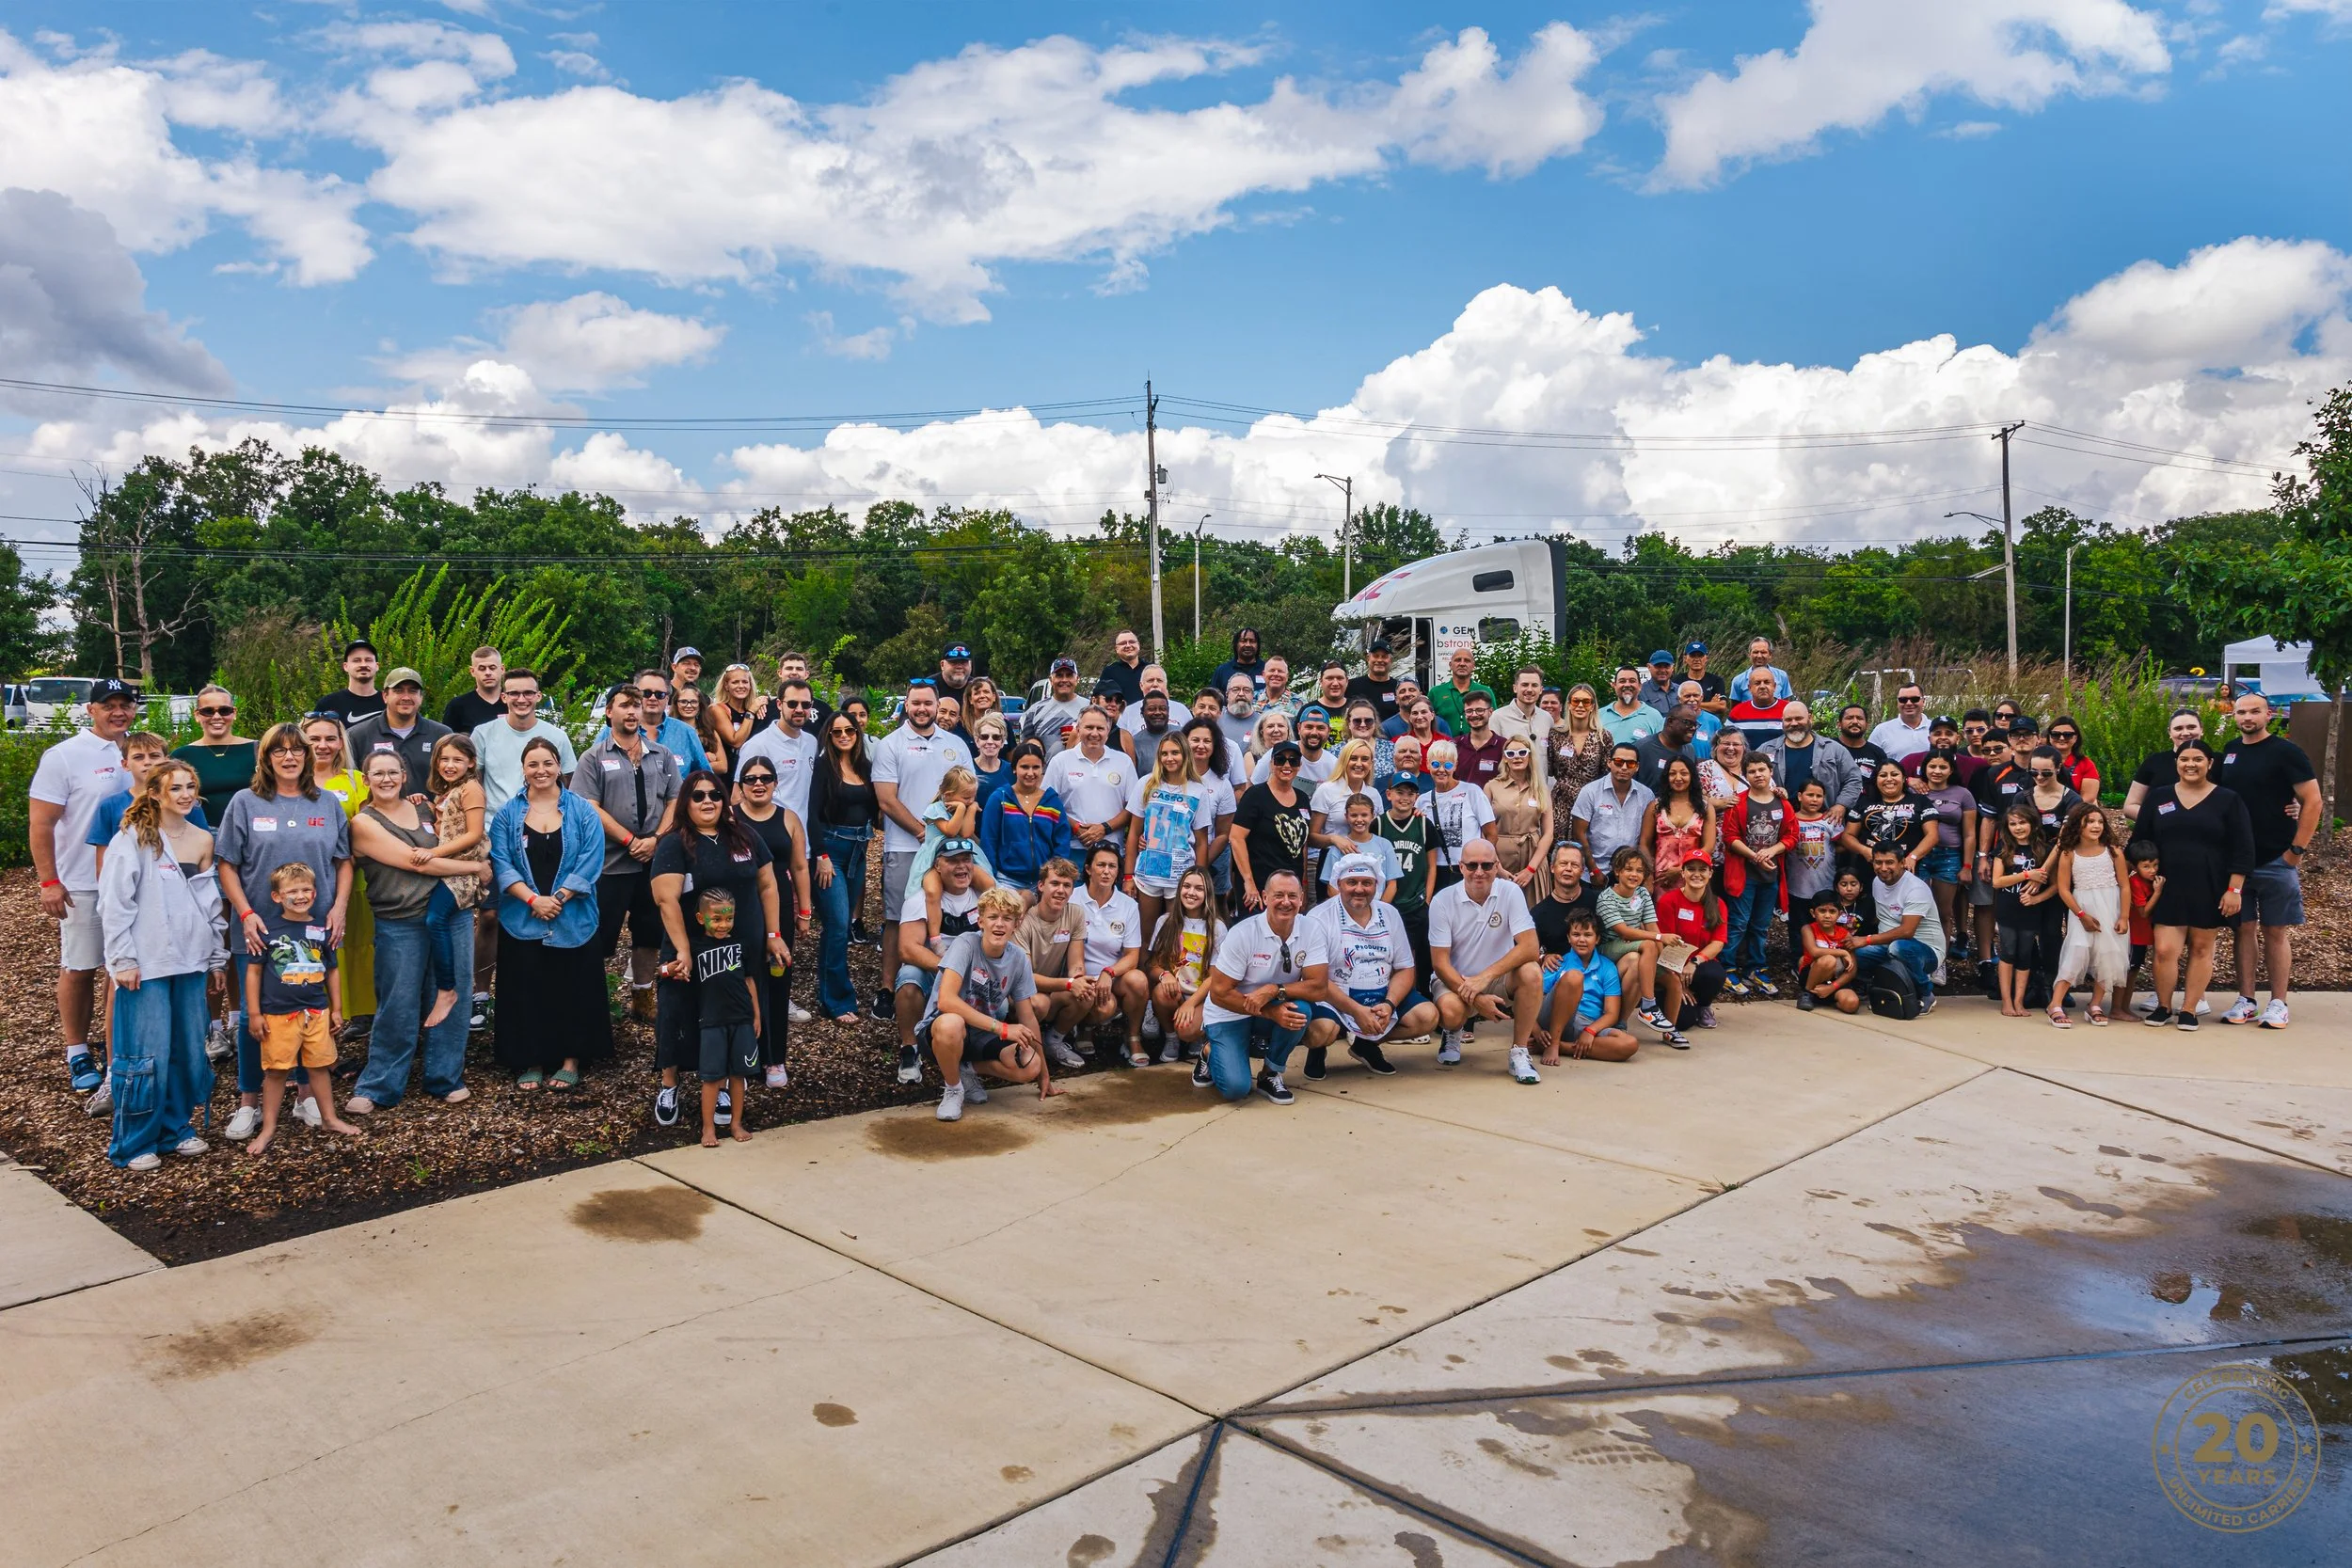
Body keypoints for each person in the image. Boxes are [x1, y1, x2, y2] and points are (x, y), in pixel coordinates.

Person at [214, 723, 356, 1141]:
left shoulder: (327, 803)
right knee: (258, 1017)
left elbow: (344, 860)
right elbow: (227, 864)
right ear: (266, 758)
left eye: (298, 750)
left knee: (309, 1009)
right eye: (280, 751)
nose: (290, 757)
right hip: (260, 928)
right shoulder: (245, 802)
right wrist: (244, 914)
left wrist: (340, 908)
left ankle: (306, 1096)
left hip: (314, 928)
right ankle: (248, 1102)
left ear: (309, 756)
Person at [97, 758, 229, 1169]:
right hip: (146, 963)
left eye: (191, 786)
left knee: (188, 1050)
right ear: (154, 793)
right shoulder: (132, 838)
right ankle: (135, 1142)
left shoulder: (202, 839)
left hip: (190, 962)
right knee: (145, 1054)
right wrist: (123, 958)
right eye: (176, 788)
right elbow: (115, 903)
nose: (186, 795)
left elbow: (210, 905)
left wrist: (216, 959)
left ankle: (176, 1128)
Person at [344, 745, 482, 1115]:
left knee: (454, 995)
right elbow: (414, 863)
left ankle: (444, 1077)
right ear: (366, 780)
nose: (386, 779)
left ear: (405, 777)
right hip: (399, 921)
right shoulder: (363, 823)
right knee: (398, 1003)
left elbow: (459, 836)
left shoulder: (425, 807)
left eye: (393, 772)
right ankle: (380, 1086)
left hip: (448, 914)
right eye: (378, 773)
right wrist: (477, 870)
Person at [648, 769, 789, 1126]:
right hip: (690, 947)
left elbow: (768, 885)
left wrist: (773, 934)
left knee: (732, 1014)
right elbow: (666, 900)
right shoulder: (674, 842)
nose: (707, 801)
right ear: (686, 803)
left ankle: (725, 1083)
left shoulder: (744, 836)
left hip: (739, 948)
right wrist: (682, 951)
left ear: (726, 799)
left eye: (714, 794)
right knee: (677, 1012)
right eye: (698, 796)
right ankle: (670, 1083)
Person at [31, 676, 136, 1101]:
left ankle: (115, 1053)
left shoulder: (140, 749)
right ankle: (77, 1050)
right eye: (108, 704)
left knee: (122, 968)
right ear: (90, 709)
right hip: (82, 882)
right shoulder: (64, 756)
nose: (118, 711)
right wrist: (49, 881)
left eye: (125, 704)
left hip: (133, 882)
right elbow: (42, 823)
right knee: (80, 965)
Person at [488, 736, 608, 1090]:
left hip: (573, 915)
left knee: (571, 987)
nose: (541, 770)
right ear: (523, 770)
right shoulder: (509, 814)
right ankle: (531, 1060)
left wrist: (558, 897)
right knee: (527, 988)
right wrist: (533, 901)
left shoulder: (582, 810)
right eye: (533, 764)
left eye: (547, 763)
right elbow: (501, 861)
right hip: (523, 916)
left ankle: (571, 1059)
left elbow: (592, 856)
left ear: (559, 766)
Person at [574, 684, 682, 1026]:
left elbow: (675, 800)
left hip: (652, 861)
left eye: (637, 706)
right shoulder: (592, 757)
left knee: (649, 931)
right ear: (609, 712)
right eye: (625, 705)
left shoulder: (661, 754)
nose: (633, 711)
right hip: (611, 862)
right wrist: (628, 839)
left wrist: (656, 839)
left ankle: (642, 995)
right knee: (602, 934)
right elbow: (588, 806)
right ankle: (597, 998)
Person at [2215, 692, 2321, 1030]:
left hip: (2276, 858)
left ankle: (2278, 1002)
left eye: (2254, 711)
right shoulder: (2229, 752)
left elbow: (2313, 801)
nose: (2247, 717)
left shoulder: (2286, 752)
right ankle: (2246, 999)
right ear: (2234, 715)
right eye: (2241, 711)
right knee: (2243, 930)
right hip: (2236, 862)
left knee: (2275, 931)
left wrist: (2296, 851)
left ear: (2268, 713)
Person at [873, 681, 974, 1019]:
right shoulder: (891, 745)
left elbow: (967, 795)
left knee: (950, 913)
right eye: (915, 703)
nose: (922, 709)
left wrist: (949, 836)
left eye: (928, 703)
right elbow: (887, 799)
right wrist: (922, 831)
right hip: (905, 845)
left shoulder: (956, 744)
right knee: (896, 917)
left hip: (952, 847)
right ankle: (889, 989)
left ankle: (948, 982)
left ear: (936, 706)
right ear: (906, 705)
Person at [2139, 739, 2254, 1031]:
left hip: (2211, 886)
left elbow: (2243, 849)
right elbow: (2140, 841)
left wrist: (2234, 889)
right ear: (2176, 763)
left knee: (2202, 949)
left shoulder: (2228, 800)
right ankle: (2164, 1006)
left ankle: (2189, 1009)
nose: (2191, 764)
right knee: (2165, 950)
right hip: (2167, 887)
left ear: (2210, 763)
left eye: (2198, 759)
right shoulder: (2158, 797)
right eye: (2184, 759)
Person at [920, 886, 1056, 1122]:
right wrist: (1003, 1028)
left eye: (1007, 918)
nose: (999, 924)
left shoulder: (1018, 959)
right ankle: (953, 1089)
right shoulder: (966, 944)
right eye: (993, 917)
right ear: (981, 921)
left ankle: (967, 1070)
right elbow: (946, 1000)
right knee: (952, 1023)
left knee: (1030, 1064)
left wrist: (1044, 1074)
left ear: (1017, 924)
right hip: (940, 1030)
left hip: (982, 1032)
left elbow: (1028, 1017)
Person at [1299, 852, 1436, 1078]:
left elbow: (1405, 968)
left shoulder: (1390, 914)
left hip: (1380, 994)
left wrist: (1390, 1004)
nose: (1359, 889)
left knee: (1427, 1016)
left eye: (1367, 883)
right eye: (1351, 882)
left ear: (1376, 885)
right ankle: (1318, 1049)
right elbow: (1317, 979)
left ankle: (1365, 1044)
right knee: (1322, 1031)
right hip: (1333, 998)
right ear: (1338, 884)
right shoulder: (1319, 917)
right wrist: (1356, 1011)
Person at [1199, 868, 1327, 1104]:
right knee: (1236, 1089)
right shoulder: (1243, 934)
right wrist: (1271, 1012)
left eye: (1292, 896)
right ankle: (1209, 1051)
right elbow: (1219, 994)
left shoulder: (1312, 929)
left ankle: (1270, 1073)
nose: (1286, 902)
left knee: (1300, 1010)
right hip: (1229, 1012)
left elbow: (1318, 987)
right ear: (1265, 898)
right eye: (1278, 895)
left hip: (1268, 1003)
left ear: (1301, 898)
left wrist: (1274, 990)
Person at [1428, 841, 1547, 1082]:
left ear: (1497, 866)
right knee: (1451, 1012)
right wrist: (1476, 997)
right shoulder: (1442, 900)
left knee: (1532, 972)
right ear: (1460, 867)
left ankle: (1519, 1052)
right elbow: (1440, 964)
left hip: (1497, 978)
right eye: (1472, 865)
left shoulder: (1510, 891)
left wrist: (1486, 977)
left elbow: (1531, 947)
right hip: (1456, 978)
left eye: (1486, 865)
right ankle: (1453, 1032)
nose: (1479, 871)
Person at [734, 755, 812, 1076]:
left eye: (765, 778)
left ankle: (774, 1058)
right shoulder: (730, 817)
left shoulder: (789, 818)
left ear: (775, 784)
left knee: (777, 981)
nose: (758, 784)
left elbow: (800, 867)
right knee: (740, 980)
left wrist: (804, 911)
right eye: (750, 779)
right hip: (738, 905)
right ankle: (742, 1059)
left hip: (779, 904)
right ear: (741, 786)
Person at [302, 716, 374, 1037]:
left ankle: (362, 1019)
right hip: (304, 889)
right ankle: (319, 1024)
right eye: (314, 738)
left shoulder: (356, 780)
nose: (322, 745)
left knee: (358, 949)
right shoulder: (292, 781)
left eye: (330, 738)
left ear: (341, 743)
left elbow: (372, 827)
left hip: (353, 882)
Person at [893, 840, 985, 1085]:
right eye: (953, 860)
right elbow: (907, 948)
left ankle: (973, 1055)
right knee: (908, 979)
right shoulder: (921, 899)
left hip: (975, 972)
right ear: (937, 866)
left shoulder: (984, 897)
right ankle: (909, 1050)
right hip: (936, 968)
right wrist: (948, 969)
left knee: (1005, 1005)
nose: (961, 867)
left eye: (966, 860)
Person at [674, 887, 759, 1147]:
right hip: (711, 1020)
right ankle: (708, 1128)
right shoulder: (695, 947)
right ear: (702, 919)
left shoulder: (740, 944)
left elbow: (749, 980)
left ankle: (735, 1123)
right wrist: (672, 970)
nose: (724, 924)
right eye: (718, 918)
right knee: (711, 1078)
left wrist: (756, 1014)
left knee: (738, 1075)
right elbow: (668, 969)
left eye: (729, 918)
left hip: (742, 1018)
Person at [421, 735, 489, 1034]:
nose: (449, 765)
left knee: (435, 919)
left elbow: (473, 834)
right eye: (444, 759)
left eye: (457, 760)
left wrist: (433, 854)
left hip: (461, 871)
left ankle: (448, 989)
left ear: (471, 762)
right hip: (448, 867)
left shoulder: (472, 789)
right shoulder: (450, 790)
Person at [1125, 731, 1214, 944]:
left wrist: (1199, 879)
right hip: (1148, 873)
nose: (1169, 758)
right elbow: (1134, 832)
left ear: (1185, 754)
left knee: (1175, 937)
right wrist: (1128, 876)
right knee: (1145, 936)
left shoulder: (1197, 791)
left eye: (1175, 753)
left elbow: (1201, 841)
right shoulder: (1146, 784)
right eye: (1164, 754)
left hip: (1180, 876)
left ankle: (1171, 977)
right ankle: (1145, 976)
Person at [2048, 802, 2131, 1027]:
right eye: (2090, 822)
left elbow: (2124, 885)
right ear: (2078, 826)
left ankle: (2095, 1004)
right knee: (2076, 952)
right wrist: (2081, 914)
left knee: (2108, 955)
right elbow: (2064, 889)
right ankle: (2055, 1004)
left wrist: (2123, 916)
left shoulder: (2113, 851)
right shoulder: (2069, 853)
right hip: (2082, 908)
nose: (2096, 826)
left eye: (2100, 822)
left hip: (2111, 908)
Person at [1721, 754, 1795, 997]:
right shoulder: (1739, 803)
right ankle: (1728, 969)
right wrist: (1756, 857)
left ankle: (1755, 968)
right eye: (1751, 771)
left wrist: (1772, 851)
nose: (1758, 775)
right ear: (1746, 775)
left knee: (1761, 927)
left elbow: (1791, 836)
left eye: (1762, 769)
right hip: (1745, 875)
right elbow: (1730, 837)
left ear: (1770, 770)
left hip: (1771, 877)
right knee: (1738, 924)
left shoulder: (1782, 803)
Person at [1073, 842, 1151, 1064]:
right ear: (1088, 869)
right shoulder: (1073, 898)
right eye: (1101, 865)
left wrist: (1109, 972)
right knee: (1105, 1009)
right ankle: (1084, 1027)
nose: (1107, 871)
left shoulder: (1127, 905)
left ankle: (1133, 1037)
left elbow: (1132, 956)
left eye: (1113, 866)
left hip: (1113, 976)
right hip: (1081, 976)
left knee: (1139, 980)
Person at [1534, 908, 1643, 1064]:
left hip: (1587, 1024)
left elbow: (1611, 1013)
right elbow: (1529, 1002)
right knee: (1573, 977)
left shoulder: (1607, 967)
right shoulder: (1558, 962)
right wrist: (1537, 1032)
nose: (1581, 940)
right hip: (1553, 1022)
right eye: (1576, 934)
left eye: (1588, 935)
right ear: (1569, 937)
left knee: (1629, 1044)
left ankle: (1562, 1047)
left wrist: (1590, 1031)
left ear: (1597, 939)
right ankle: (1554, 1044)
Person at [1017, 857, 1094, 1069]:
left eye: (1067, 885)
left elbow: (1076, 964)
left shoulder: (1075, 913)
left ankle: (1054, 1041)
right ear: (1041, 886)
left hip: (1055, 987)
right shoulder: (1024, 921)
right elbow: (1025, 978)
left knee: (1087, 992)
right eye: (1055, 883)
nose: (1061, 890)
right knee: (1039, 1003)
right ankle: (1023, 1045)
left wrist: (1078, 981)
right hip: (1022, 993)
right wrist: (1070, 984)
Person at [1848, 845, 1946, 1009]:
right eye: (1878, 862)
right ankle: (1878, 989)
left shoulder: (1915, 888)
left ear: (1902, 863)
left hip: (1926, 951)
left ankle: (1926, 994)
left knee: (1898, 948)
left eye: (1889, 862)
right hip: (1888, 945)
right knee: (1851, 953)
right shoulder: (1877, 882)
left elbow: (1907, 931)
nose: (1883, 868)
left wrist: (1867, 940)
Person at [1143, 865, 1221, 1065]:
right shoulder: (1166, 922)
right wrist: (1164, 975)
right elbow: (1153, 965)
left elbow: (1215, 977)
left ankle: (1197, 1036)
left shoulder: (1217, 927)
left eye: (1199, 888)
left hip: (1202, 995)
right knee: (1161, 991)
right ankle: (1171, 1038)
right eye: (1186, 886)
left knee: (1188, 1031)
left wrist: (1191, 1003)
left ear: (1208, 893)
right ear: (1179, 890)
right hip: (1175, 991)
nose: (1191, 893)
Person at [472, 667, 576, 815]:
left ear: (538, 696)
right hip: (494, 826)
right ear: (504, 697)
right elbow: (472, 782)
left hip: (544, 825)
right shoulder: (482, 734)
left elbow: (569, 784)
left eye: (528, 693)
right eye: (514, 693)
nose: (521, 699)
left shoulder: (558, 736)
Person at [978, 738, 1072, 901]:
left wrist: (1053, 876)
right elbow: (989, 841)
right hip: (1006, 880)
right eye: (1024, 767)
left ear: (1042, 768)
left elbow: (1061, 843)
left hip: (1044, 882)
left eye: (1036, 767)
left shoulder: (1052, 801)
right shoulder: (1000, 798)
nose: (1030, 773)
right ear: (1014, 768)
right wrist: (992, 877)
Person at [1988, 803, 2056, 1017]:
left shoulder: (2043, 850)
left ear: (2032, 824)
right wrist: (2027, 875)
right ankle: (2006, 1001)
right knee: (2008, 951)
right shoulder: (2004, 848)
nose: (2018, 827)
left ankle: (2019, 1001)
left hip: (2031, 910)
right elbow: (1997, 881)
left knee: (2025, 954)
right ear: (2007, 827)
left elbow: (2055, 885)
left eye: (2022, 822)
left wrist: (2037, 900)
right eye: (2013, 823)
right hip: (2008, 909)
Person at [1653, 854, 1728, 1041]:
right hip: (1671, 967)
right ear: (1683, 873)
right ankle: (1676, 998)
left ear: (1710, 873)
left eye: (1702, 870)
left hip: (1698, 967)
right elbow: (1664, 944)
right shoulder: (1668, 901)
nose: (1697, 874)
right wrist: (1677, 983)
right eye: (1691, 869)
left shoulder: (1718, 904)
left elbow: (1718, 942)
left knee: (1715, 973)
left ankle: (1703, 1005)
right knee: (1682, 1022)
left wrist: (1694, 962)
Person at [1596, 847, 1671, 1036]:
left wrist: (1666, 961)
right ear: (1617, 871)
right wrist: (1659, 938)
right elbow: (1623, 932)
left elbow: (1652, 926)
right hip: (1609, 949)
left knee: (1672, 979)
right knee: (1649, 944)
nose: (1634, 874)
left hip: (1633, 948)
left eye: (1639, 871)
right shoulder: (1606, 898)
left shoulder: (1643, 894)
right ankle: (1648, 1005)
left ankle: (1670, 1031)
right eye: (1629, 869)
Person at [1044, 706, 1136, 856]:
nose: (1094, 733)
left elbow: (1132, 807)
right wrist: (1075, 827)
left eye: (1100, 728)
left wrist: (1104, 828)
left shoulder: (1123, 762)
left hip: (1111, 851)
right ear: (1078, 729)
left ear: (1108, 731)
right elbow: (1047, 804)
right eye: (1089, 727)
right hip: (1070, 849)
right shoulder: (1060, 761)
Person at [1232, 741, 1311, 911]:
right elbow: (1236, 837)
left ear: (1299, 766)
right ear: (1271, 763)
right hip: (1259, 885)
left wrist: (1303, 885)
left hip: (1290, 887)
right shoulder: (1255, 795)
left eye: (1293, 761)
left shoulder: (1303, 798)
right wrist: (1249, 882)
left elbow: (1302, 845)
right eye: (1280, 760)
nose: (1287, 765)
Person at [1913, 752, 1977, 963]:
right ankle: (1918, 959)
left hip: (1949, 857)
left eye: (1942, 767)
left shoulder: (1963, 794)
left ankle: (1939, 961)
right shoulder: (1915, 791)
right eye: (1932, 767)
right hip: (1919, 855)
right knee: (1917, 910)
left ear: (1951, 770)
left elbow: (1969, 834)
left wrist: (1967, 865)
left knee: (1943, 912)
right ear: (1924, 769)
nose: (1937, 771)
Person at [733, 678, 820, 827]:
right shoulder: (758, 745)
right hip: (769, 840)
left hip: (803, 838)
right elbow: (737, 797)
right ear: (779, 704)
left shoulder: (811, 742)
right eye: (792, 704)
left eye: (805, 704)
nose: (799, 709)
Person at [172, 684, 257, 827]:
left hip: (252, 833)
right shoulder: (182, 756)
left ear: (234, 713)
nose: (217, 717)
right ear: (197, 715)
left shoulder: (258, 750)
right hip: (201, 834)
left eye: (224, 710)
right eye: (208, 711)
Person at [1572, 744, 1656, 887]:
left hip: (1630, 874)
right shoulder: (1590, 791)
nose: (1624, 767)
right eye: (1618, 762)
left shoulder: (1646, 795)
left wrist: (1647, 875)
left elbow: (1647, 840)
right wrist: (1594, 870)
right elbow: (1579, 833)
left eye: (1630, 763)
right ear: (1609, 762)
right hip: (1595, 871)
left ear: (1637, 767)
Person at [1759, 700, 1863, 810]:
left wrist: (1841, 805)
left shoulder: (1834, 749)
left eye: (1799, 718)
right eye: (1788, 720)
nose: (1794, 723)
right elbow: (1746, 776)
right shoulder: (1766, 750)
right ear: (1782, 721)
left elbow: (1853, 779)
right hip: (1779, 820)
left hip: (1823, 821)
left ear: (1810, 718)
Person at [1422, 740, 1498, 890]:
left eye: (1448, 765)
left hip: (1469, 866)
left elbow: (1491, 833)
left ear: (1455, 766)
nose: (1441, 770)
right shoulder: (1421, 800)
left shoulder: (1472, 791)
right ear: (1428, 764)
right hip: (1436, 868)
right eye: (1436, 764)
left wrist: (1482, 864)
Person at [1486, 738, 1552, 900]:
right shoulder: (1491, 787)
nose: (1517, 757)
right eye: (1511, 753)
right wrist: (1497, 867)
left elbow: (1548, 832)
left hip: (1533, 858)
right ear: (1504, 758)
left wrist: (1531, 869)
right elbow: (1484, 832)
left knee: (1535, 911)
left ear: (1530, 756)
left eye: (1522, 752)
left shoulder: (1541, 789)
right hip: (1500, 859)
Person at [1642, 752, 1717, 888]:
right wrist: (1648, 874)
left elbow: (1708, 847)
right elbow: (1644, 844)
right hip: (1661, 877)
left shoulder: (1705, 807)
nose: (1678, 778)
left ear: (1692, 776)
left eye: (1684, 773)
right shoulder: (1656, 806)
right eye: (1672, 774)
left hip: (1694, 876)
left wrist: (1682, 869)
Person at [2122, 709, 2209, 823]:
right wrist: (2158, 820)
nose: (2185, 733)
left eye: (2191, 727)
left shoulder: (2217, 761)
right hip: (2159, 835)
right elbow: (2130, 805)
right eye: (2178, 728)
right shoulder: (2154, 762)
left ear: (2201, 729)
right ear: (2170, 732)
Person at [2117, 840, 2162, 1020]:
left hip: (2143, 936)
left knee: (2133, 971)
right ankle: (2119, 1007)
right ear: (2135, 867)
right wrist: (2157, 893)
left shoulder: (2149, 880)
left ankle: (2124, 1007)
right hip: (2134, 935)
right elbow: (2143, 912)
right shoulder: (2135, 883)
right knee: (2128, 971)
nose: (2152, 870)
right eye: (2146, 866)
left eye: (2155, 865)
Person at [1797, 891, 1860, 1013]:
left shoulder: (1845, 934)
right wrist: (1843, 952)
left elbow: (1852, 970)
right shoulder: (1808, 929)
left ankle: (1824, 997)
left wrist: (1832, 987)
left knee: (1852, 1004)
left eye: (1832, 911)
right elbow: (1814, 952)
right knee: (1829, 959)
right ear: (1813, 913)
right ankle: (1807, 993)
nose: (1827, 916)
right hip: (1812, 977)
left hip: (1835, 980)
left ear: (1839, 914)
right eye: (1822, 911)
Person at [1021, 658, 1091, 758]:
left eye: (1069, 675)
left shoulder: (1090, 708)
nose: (1064, 680)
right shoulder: (1035, 711)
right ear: (1051, 680)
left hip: (1082, 770)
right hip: (1045, 772)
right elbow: (1024, 747)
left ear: (1077, 679)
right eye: (1059, 675)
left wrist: (1079, 737)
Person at [313, 640, 386, 726]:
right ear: (346, 666)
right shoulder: (328, 704)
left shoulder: (388, 703)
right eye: (356, 660)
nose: (363, 664)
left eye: (368, 660)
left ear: (377, 666)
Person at [1429, 646, 1493, 736]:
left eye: (1467, 661)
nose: (1462, 664)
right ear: (1450, 665)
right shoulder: (1436, 692)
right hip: (1444, 747)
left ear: (1473, 666)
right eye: (1458, 660)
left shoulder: (1485, 691)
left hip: (1478, 746)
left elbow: (1494, 720)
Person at [441, 645, 506, 735]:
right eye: (482, 668)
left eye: (492, 668)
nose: (488, 673)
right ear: (472, 671)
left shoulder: (514, 702)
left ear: (502, 669)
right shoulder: (458, 706)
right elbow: (448, 744)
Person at [1724, 670, 1788, 755]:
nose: (1762, 686)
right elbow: (1727, 742)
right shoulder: (1737, 712)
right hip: (1747, 765)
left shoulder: (1788, 710)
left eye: (1767, 682)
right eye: (1757, 683)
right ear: (1749, 688)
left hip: (1781, 765)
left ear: (1774, 686)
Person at [1868, 684, 1934, 764]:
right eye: (1903, 700)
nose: (1909, 703)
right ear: (1897, 702)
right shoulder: (1882, 731)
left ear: (1923, 701)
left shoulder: (1936, 729)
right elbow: (1869, 761)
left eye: (1914, 699)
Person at [676, 685, 729, 784]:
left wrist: (687, 765)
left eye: (694, 702)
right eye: (683, 702)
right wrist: (705, 758)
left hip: (705, 786)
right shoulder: (669, 730)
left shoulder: (709, 731)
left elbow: (723, 767)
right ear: (676, 704)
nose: (688, 705)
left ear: (700, 705)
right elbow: (671, 764)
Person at [709, 663, 763, 759]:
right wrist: (751, 712)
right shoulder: (718, 709)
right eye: (735, 682)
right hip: (728, 770)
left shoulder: (755, 708)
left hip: (751, 767)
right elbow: (736, 742)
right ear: (726, 686)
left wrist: (763, 701)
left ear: (750, 685)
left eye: (745, 682)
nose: (741, 686)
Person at [1345, 640, 1402, 722]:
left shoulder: (1399, 687)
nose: (1379, 660)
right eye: (1376, 656)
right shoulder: (1352, 685)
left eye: (1384, 656)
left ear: (1391, 660)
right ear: (1368, 658)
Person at [1727, 638, 1793, 705]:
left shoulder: (1782, 676)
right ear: (1749, 654)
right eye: (1755, 652)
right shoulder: (1738, 681)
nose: (1759, 656)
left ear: (1770, 655)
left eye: (1763, 652)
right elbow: (1735, 710)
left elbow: (1786, 706)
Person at [1833, 704, 1890, 775]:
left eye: (1860, 718)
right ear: (1839, 724)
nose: (1855, 722)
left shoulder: (1877, 753)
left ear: (1867, 725)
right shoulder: (1827, 748)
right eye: (1849, 718)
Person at [1211, 626, 1267, 697]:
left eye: (1252, 641)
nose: (1248, 645)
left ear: (1258, 645)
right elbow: (1214, 699)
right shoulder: (1222, 671)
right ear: (1236, 644)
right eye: (1243, 641)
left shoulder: (1267, 670)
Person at [1097, 628, 1148, 705]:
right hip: (1120, 716)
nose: (1128, 645)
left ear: (1139, 645)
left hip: (1148, 716)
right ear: (1116, 649)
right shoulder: (1109, 672)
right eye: (1123, 643)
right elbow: (1102, 700)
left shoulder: (1151, 669)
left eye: (1132, 642)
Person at [969, 713, 1012, 804]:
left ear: (1002, 742)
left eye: (996, 737)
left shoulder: (1012, 771)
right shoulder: (967, 769)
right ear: (977, 741)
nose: (990, 741)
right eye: (984, 737)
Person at [1680, 641, 1727, 714]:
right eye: (1693, 655)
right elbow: (1674, 705)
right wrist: (1710, 704)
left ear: (1706, 658)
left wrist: (1688, 704)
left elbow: (1721, 706)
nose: (1696, 659)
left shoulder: (1716, 681)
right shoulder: (1678, 680)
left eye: (1700, 655)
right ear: (1685, 658)